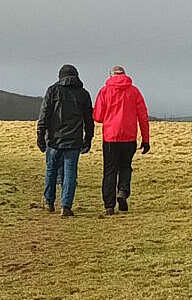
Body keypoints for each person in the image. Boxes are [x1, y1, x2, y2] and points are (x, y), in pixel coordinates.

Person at [36, 64, 94, 217]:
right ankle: (66, 206)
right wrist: (88, 139)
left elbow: (44, 116)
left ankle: (49, 201)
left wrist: (40, 136)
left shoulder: (52, 91)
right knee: (70, 173)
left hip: (54, 140)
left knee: (51, 170)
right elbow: (89, 120)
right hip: (74, 141)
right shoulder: (83, 94)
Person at [93, 66, 150, 215]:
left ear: (110, 75)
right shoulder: (134, 91)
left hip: (111, 137)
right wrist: (146, 139)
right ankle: (123, 192)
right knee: (125, 167)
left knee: (110, 170)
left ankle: (109, 206)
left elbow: (98, 117)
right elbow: (143, 117)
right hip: (129, 137)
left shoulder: (104, 91)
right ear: (125, 75)